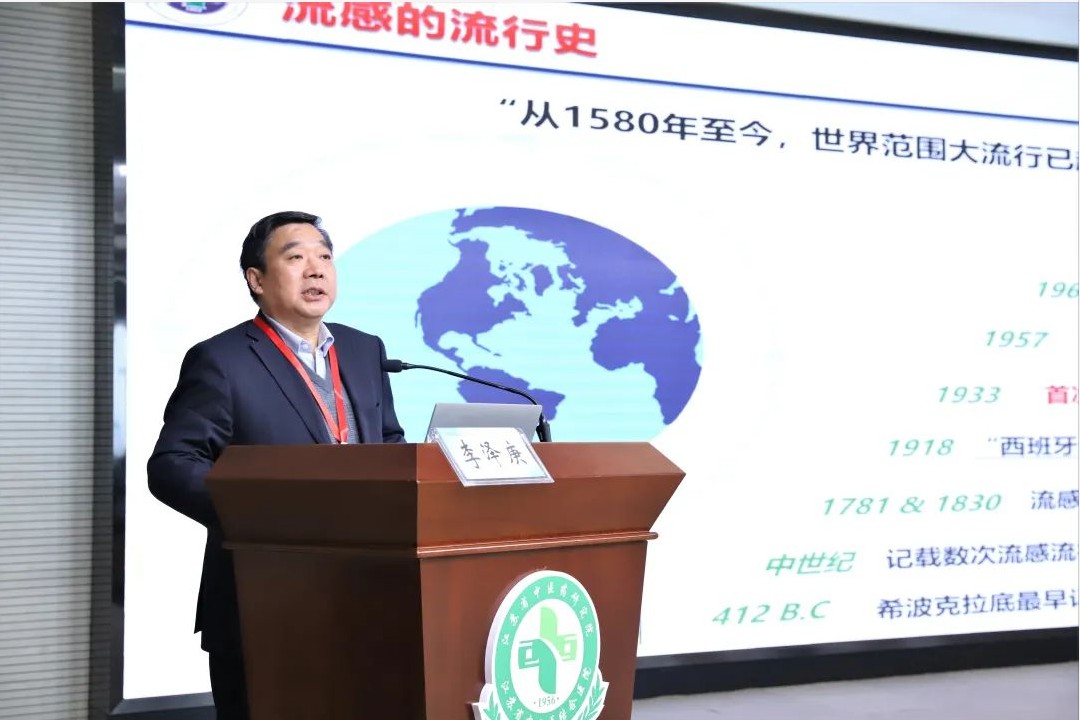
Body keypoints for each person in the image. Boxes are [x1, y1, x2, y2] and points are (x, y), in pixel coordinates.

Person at [147, 210, 406, 720]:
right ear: (257, 280)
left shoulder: (363, 349)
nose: (316, 268)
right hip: (262, 601)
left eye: (324, 256)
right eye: (296, 257)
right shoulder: (222, 360)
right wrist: (265, 515)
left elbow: (388, 440)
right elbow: (172, 465)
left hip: (366, 594)